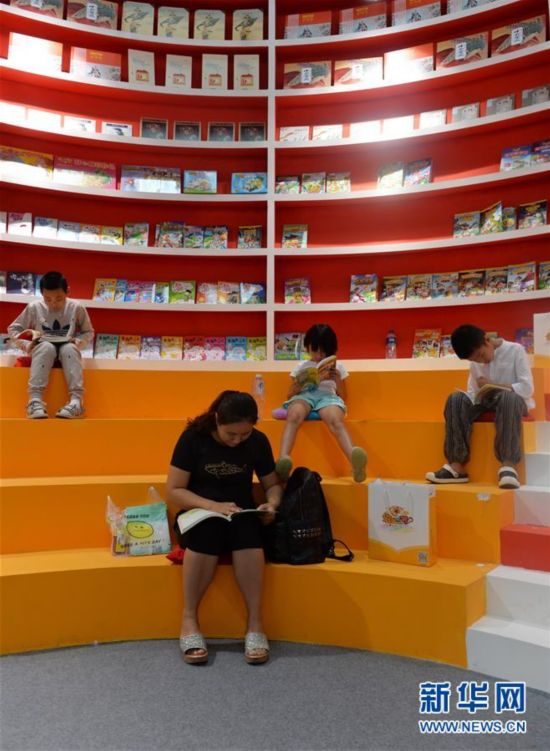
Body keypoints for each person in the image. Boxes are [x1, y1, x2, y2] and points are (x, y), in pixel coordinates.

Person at [166, 390, 282, 665]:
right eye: (231, 434)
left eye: (244, 434)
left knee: (248, 536)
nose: (237, 440)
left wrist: (271, 504)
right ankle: (189, 620)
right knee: (206, 533)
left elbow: (272, 485)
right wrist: (212, 506)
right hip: (198, 512)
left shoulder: (258, 441)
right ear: (217, 419)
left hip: (240, 512)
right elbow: (174, 491)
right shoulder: (193, 439)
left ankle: (255, 623)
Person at [426, 324, 534, 490]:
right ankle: (456, 466)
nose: (481, 361)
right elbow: (473, 392)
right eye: (474, 360)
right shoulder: (476, 363)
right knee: (456, 399)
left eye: (481, 355)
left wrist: (494, 385)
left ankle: (508, 465)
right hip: (486, 401)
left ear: (487, 340)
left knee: (508, 398)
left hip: (513, 401)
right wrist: (477, 394)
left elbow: (527, 388)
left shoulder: (516, 350)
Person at [275, 324, 367, 483]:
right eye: (315, 350)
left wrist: (337, 379)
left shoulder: (338, 367)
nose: (319, 355)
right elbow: (290, 394)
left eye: (324, 352)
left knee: (335, 421)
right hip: (305, 396)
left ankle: (354, 460)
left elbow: (343, 396)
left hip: (328, 398)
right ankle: (283, 459)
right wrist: (303, 381)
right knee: (294, 415)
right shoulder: (301, 366)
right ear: (307, 347)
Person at [7, 270, 94, 419]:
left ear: (67, 292)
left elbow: (88, 331)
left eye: (59, 298)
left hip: (67, 348)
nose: (53, 303)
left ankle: (76, 402)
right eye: (47, 299)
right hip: (42, 348)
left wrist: (78, 342)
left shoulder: (76, 307)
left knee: (70, 348)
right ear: (41, 294)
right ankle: (34, 401)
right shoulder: (34, 307)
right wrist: (27, 344)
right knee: (46, 347)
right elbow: (13, 329)